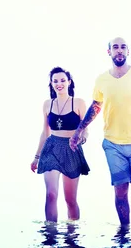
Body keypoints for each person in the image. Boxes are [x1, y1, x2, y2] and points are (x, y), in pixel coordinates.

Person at [69, 37, 131, 226]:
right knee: (120, 190)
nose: (119, 51)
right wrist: (79, 130)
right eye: (115, 47)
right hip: (112, 144)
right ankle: (124, 233)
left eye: (123, 47)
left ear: (128, 51)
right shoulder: (101, 79)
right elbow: (96, 106)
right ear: (109, 52)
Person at [31, 67, 90, 223]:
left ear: (69, 82)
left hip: (71, 149)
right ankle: (50, 235)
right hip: (51, 149)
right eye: (55, 81)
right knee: (51, 194)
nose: (59, 84)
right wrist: (36, 157)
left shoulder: (78, 103)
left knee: (70, 200)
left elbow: (85, 130)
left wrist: (80, 139)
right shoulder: (47, 104)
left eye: (63, 80)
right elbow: (45, 133)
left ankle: (73, 235)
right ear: (51, 84)